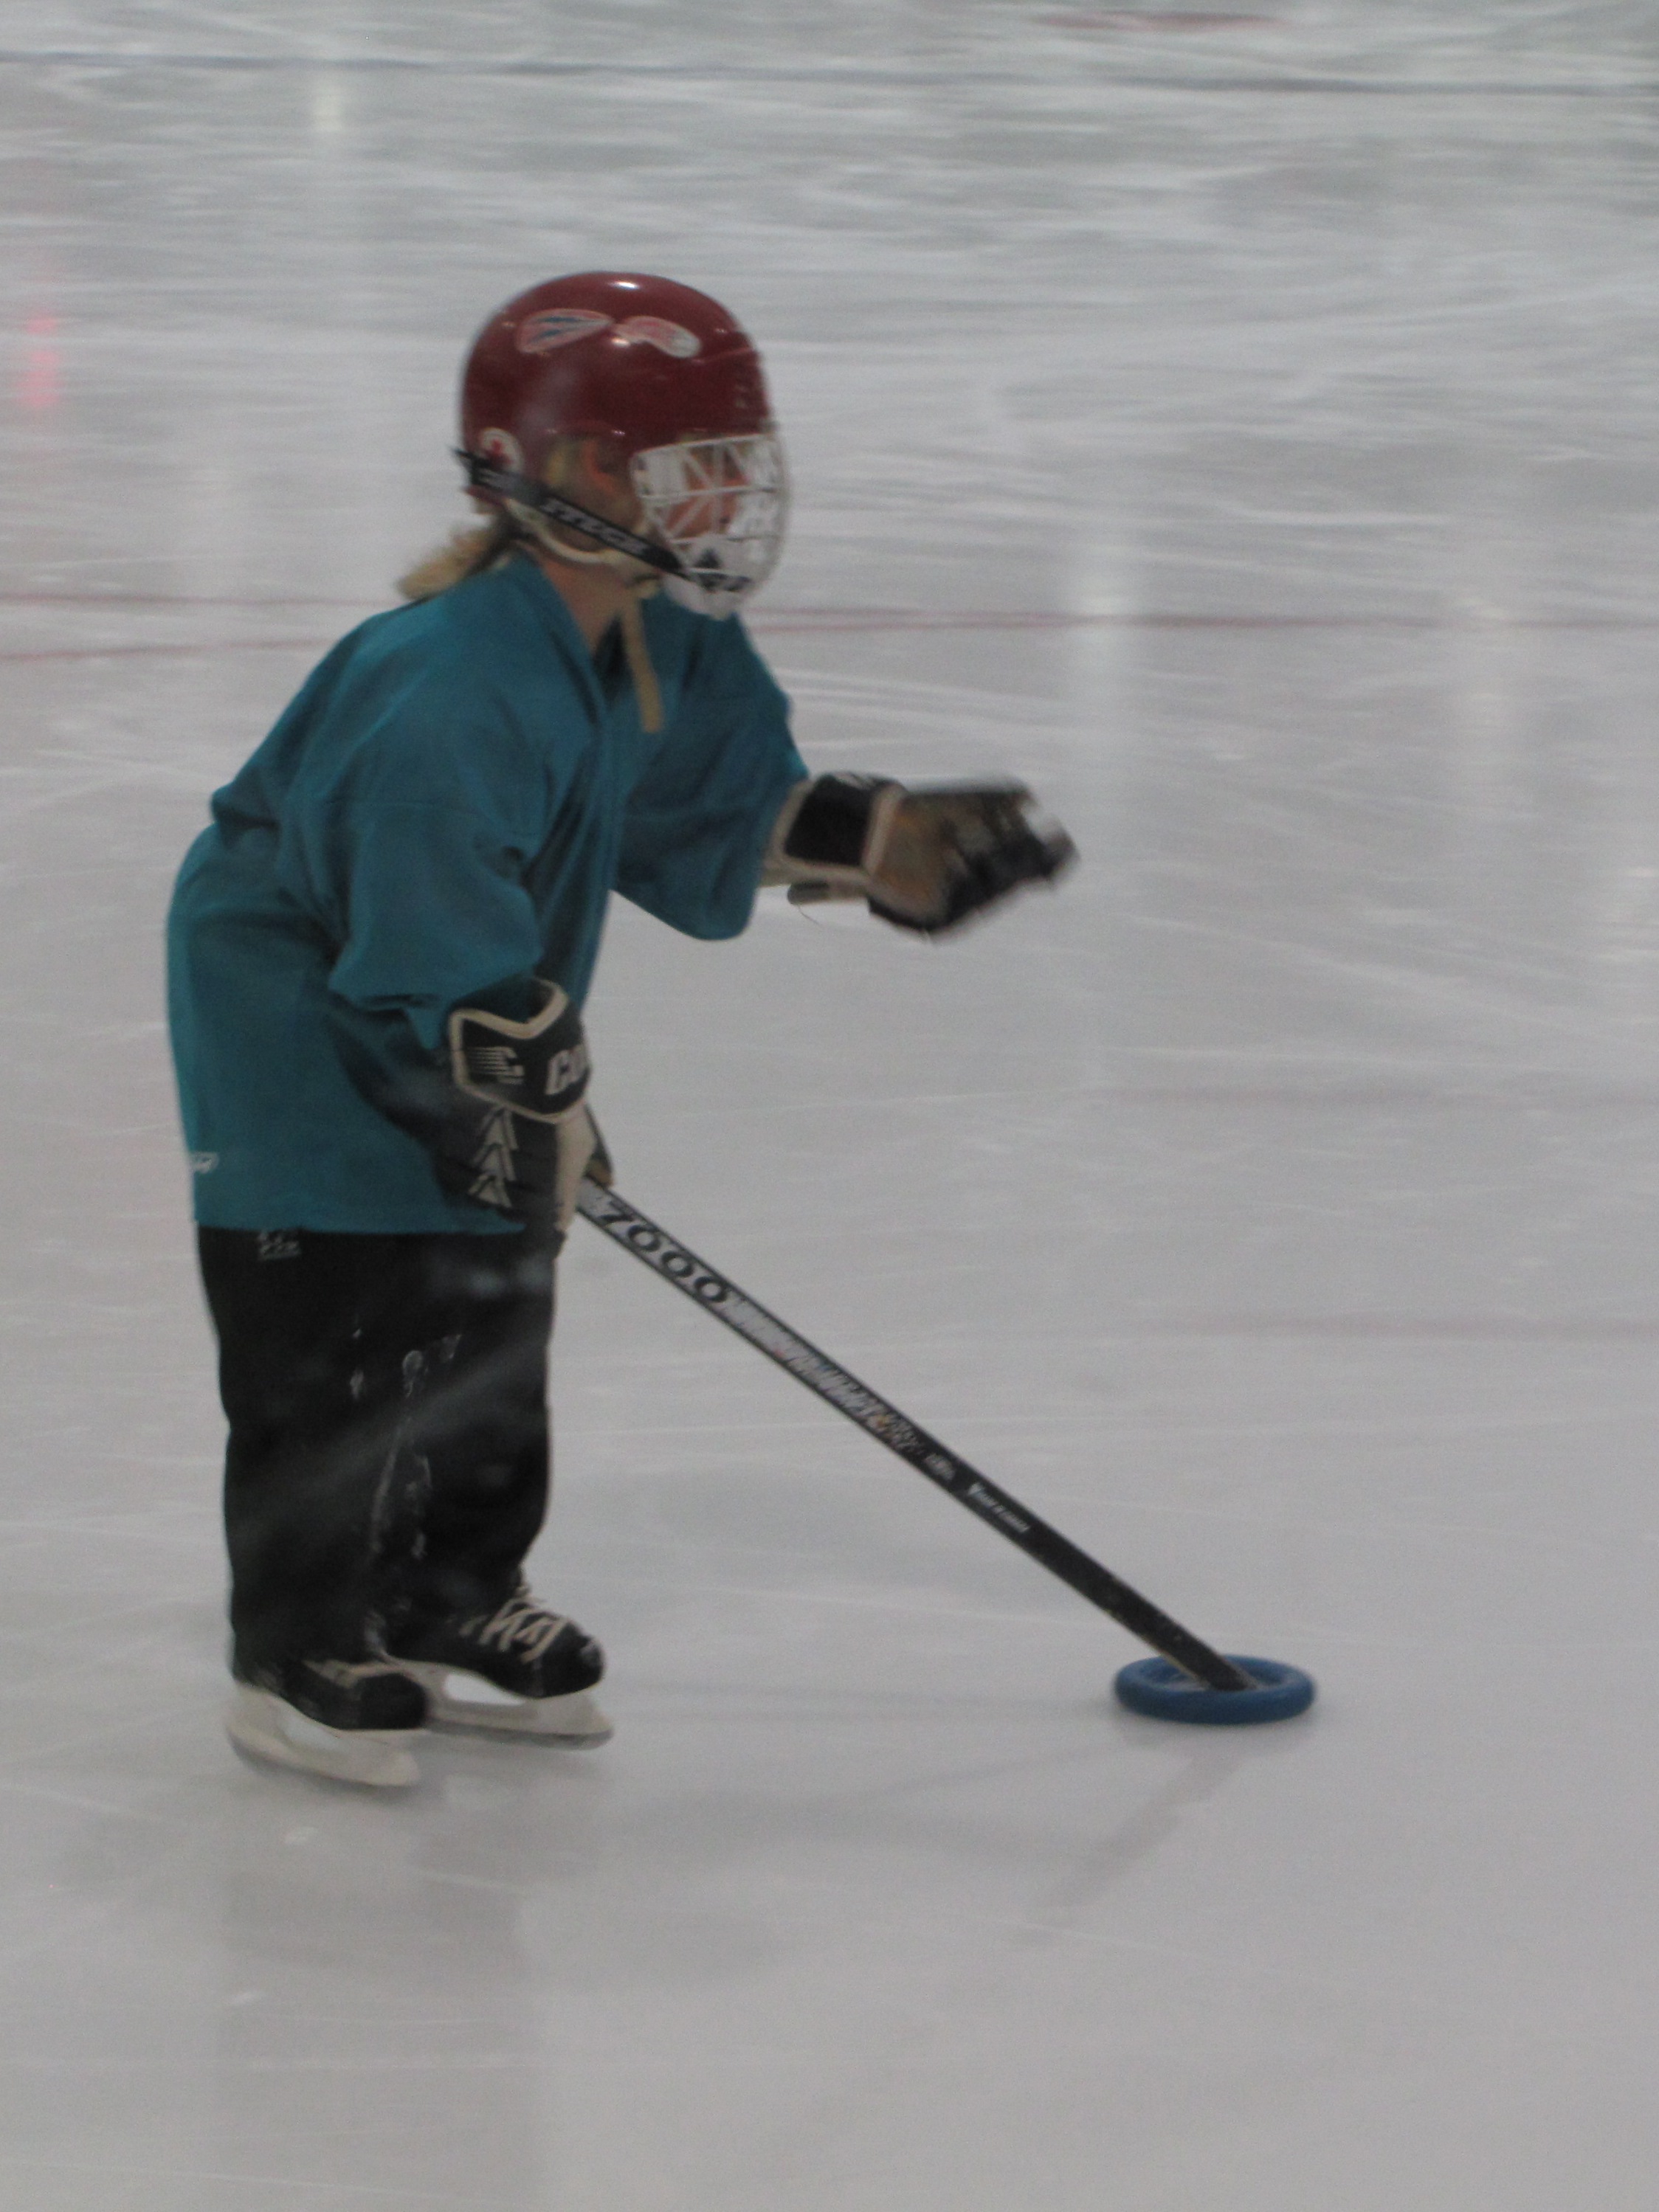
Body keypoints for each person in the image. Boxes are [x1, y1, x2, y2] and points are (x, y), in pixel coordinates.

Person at [166, 271, 1075, 1788]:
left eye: (737, 458)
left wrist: (872, 843)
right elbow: (415, 920)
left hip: (461, 986)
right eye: (695, 462)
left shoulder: (661, 636)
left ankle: (451, 1592)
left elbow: (710, 803)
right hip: (305, 1032)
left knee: (491, 1301)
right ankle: (300, 1640)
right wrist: (511, 1073)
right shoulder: (441, 685)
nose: (730, 494)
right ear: (579, 472)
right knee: (330, 1327)